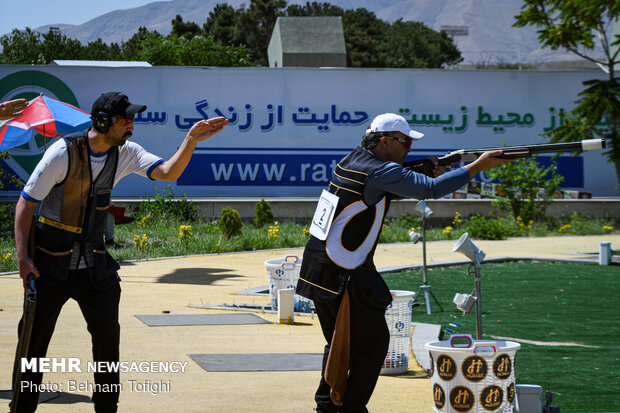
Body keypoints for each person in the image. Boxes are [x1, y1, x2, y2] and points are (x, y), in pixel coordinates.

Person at [11, 92, 228, 413]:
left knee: (107, 347)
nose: (131, 122)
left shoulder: (126, 153)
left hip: (95, 268)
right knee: (33, 346)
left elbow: (168, 172)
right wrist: (23, 259)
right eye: (125, 118)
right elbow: (25, 203)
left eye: (132, 117)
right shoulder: (63, 152)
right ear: (102, 121)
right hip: (49, 266)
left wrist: (191, 140)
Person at [296, 113, 511, 413]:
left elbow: (385, 185)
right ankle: (348, 408)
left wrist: (424, 169)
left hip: (321, 267)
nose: (409, 147)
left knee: (340, 341)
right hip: (344, 271)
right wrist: (476, 167)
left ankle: (327, 407)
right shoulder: (381, 172)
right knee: (370, 345)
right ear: (384, 142)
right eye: (405, 141)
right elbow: (429, 190)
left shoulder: (353, 159)